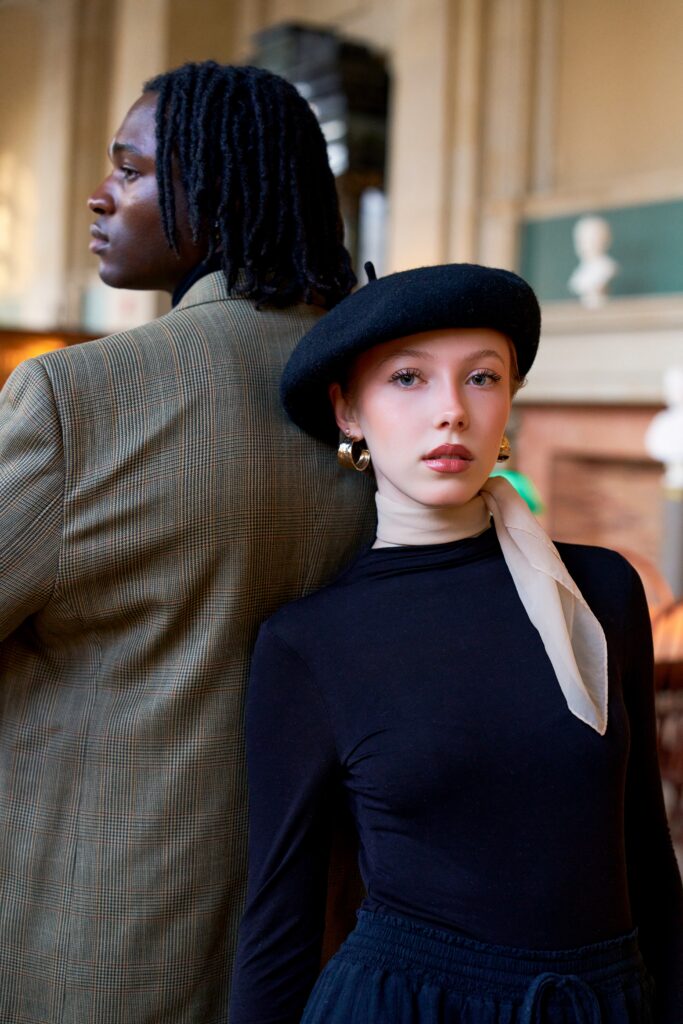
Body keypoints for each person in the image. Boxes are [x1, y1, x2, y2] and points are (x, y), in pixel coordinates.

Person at [0, 62, 374, 1022]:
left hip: (87, 915)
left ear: (214, 189)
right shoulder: (380, 394)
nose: (100, 194)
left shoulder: (76, 398)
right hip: (311, 924)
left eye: (129, 170)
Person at [229, 262, 683, 1022]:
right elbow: (281, 919)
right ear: (347, 411)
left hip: (602, 999)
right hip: (404, 1003)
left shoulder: (600, 591)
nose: (452, 412)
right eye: (408, 379)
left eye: (481, 378)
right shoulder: (310, 642)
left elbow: (646, 848)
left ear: (508, 400)